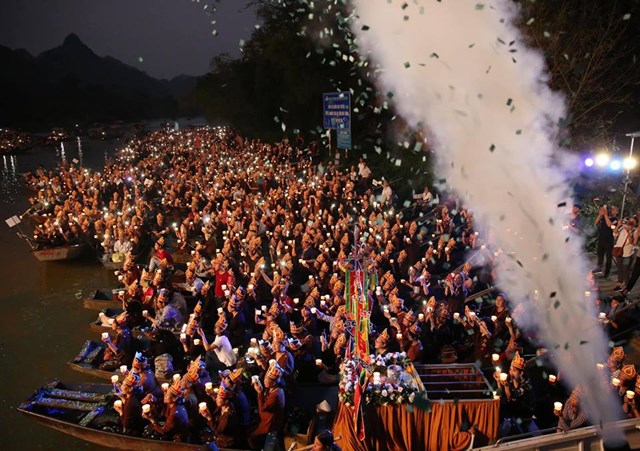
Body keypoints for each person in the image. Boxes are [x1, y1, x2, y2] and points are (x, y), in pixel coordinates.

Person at [249, 361, 286, 449]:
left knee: (255, 440)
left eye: (266, 379)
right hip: (266, 421)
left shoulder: (276, 394)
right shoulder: (271, 389)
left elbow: (262, 408)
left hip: (271, 425)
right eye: (265, 378)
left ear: (273, 383)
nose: (264, 381)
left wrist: (259, 392)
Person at [143, 376, 190, 442]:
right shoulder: (174, 403)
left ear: (174, 399)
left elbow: (163, 431)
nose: (165, 396)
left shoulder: (174, 413)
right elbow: (163, 404)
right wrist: (153, 399)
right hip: (171, 427)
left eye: (167, 395)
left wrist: (151, 419)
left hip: (176, 436)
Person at [113, 371, 144, 436]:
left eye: (123, 385)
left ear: (130, 389)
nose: (121, 386)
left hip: (134, 430)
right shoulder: (134, 396)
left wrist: (120, 411)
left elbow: (126, 425)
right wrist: (122, 398)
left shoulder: (130, 403)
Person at [594, 205, 618, 279]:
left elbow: (610, 225)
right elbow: (596, 222)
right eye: (611, 209)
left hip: (609, 241)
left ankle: (606, 273)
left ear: (617, 212)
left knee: (608, 258)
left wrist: (605, 215)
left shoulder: (615, 220)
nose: (611, 210)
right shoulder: (604, 217)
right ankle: (599, 268)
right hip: (601, 239)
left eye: (613, 209)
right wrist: (600, 214)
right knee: (600, 256)